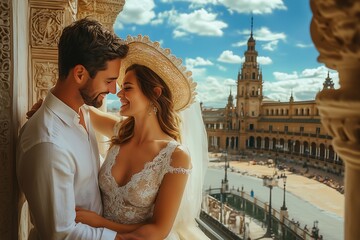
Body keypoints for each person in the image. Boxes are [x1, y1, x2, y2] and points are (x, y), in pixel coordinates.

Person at [74, 35, 210, 239]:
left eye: (127, 88)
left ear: (154, 93)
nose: (118, 94)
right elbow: (80, 110)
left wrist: (100, 224)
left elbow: (159, 229)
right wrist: (45, 108)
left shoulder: (175, 156)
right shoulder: (121, 131)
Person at [16, 18, 129, 240]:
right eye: (109, 80)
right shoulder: (49, 145)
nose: (114, 89)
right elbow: (63, 234)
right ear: (79, 74)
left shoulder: (83, 111)